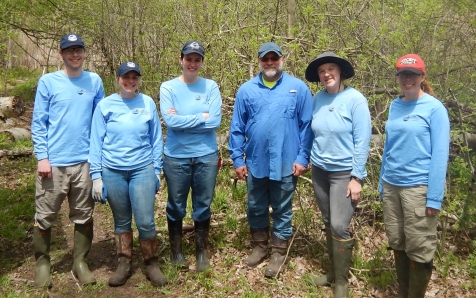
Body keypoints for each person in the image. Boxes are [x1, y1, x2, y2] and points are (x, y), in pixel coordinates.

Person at [228, 42, 314, 278]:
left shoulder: (298, 88)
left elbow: (307, 126)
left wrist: (302, 157)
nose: (269, 62)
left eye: (273, 58)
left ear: (281, 59)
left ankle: (278, 251)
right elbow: (237, 128)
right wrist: (237, 159)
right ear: (258, 61)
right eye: (265, 59)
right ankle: (260, 246)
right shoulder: (247, 90)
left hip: (287, 162)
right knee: (255, 206)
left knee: (282, 208)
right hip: (256, 161)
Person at [31, 34, 104, 287]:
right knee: (45, 215)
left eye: (79, 50)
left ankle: (79, 263)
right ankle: (42, 263)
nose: (75, 54)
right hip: (54, 163)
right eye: (69, 50)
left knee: (84, 214)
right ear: (61, 54)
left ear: (84, 53)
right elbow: (39, 122)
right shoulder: (48, 82)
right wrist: (42, 157)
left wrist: (98, 160)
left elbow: (100, 121)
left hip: (84, 161)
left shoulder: (94, 81)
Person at [89, 61, 166, 287]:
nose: (130, 81)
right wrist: (96, 176)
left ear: (139, 79)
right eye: (126, 77)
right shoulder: (105, 105)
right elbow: (96, 141)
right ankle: (124, 262)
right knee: (121, 220)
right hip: (112, 171)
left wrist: (157, 170)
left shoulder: (148, 103)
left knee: (145, 220)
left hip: (142, 169)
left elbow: (156, 139)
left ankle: (151, 263)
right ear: (118, 78)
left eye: (134, 77)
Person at [379, 54, 449, 298]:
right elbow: (389, 147)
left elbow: (440, 154)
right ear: (398, 77)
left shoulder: (434, 108)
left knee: (419, 248)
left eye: (412, 74)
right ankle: (403, 292)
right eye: (403, 74)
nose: (407, 79)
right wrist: (381, 184)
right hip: (391, 185)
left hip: (418, 188)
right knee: (397, 242)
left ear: (422, 77)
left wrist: (434, 198)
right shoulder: (395, 105)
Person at [304, 52, 371, 298]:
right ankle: (332, 272)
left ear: (340, 71)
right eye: (322, 71)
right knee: (327, 221)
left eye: (331, 69)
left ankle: (341, 282)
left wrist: (357, 177)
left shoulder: (355, 100)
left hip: (344, 173)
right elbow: (312, 133)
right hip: (320, 169)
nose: (326, 74)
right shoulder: (317, 98)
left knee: (340, 225)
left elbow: (362, 141)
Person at [159, 41, 222, 272]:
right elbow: (170, 122)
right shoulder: (168, 88)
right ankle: (176, 252)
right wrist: (201, 116)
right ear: (181, 60)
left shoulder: (210, 87)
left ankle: (201, 252)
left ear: (202, 62)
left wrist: (185, 120)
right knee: (176, 205)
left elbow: (215, 121)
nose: (192, 64)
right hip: (176, 157)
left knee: (203, 205)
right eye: (189, 59)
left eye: (197, 59)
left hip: (206, 156)